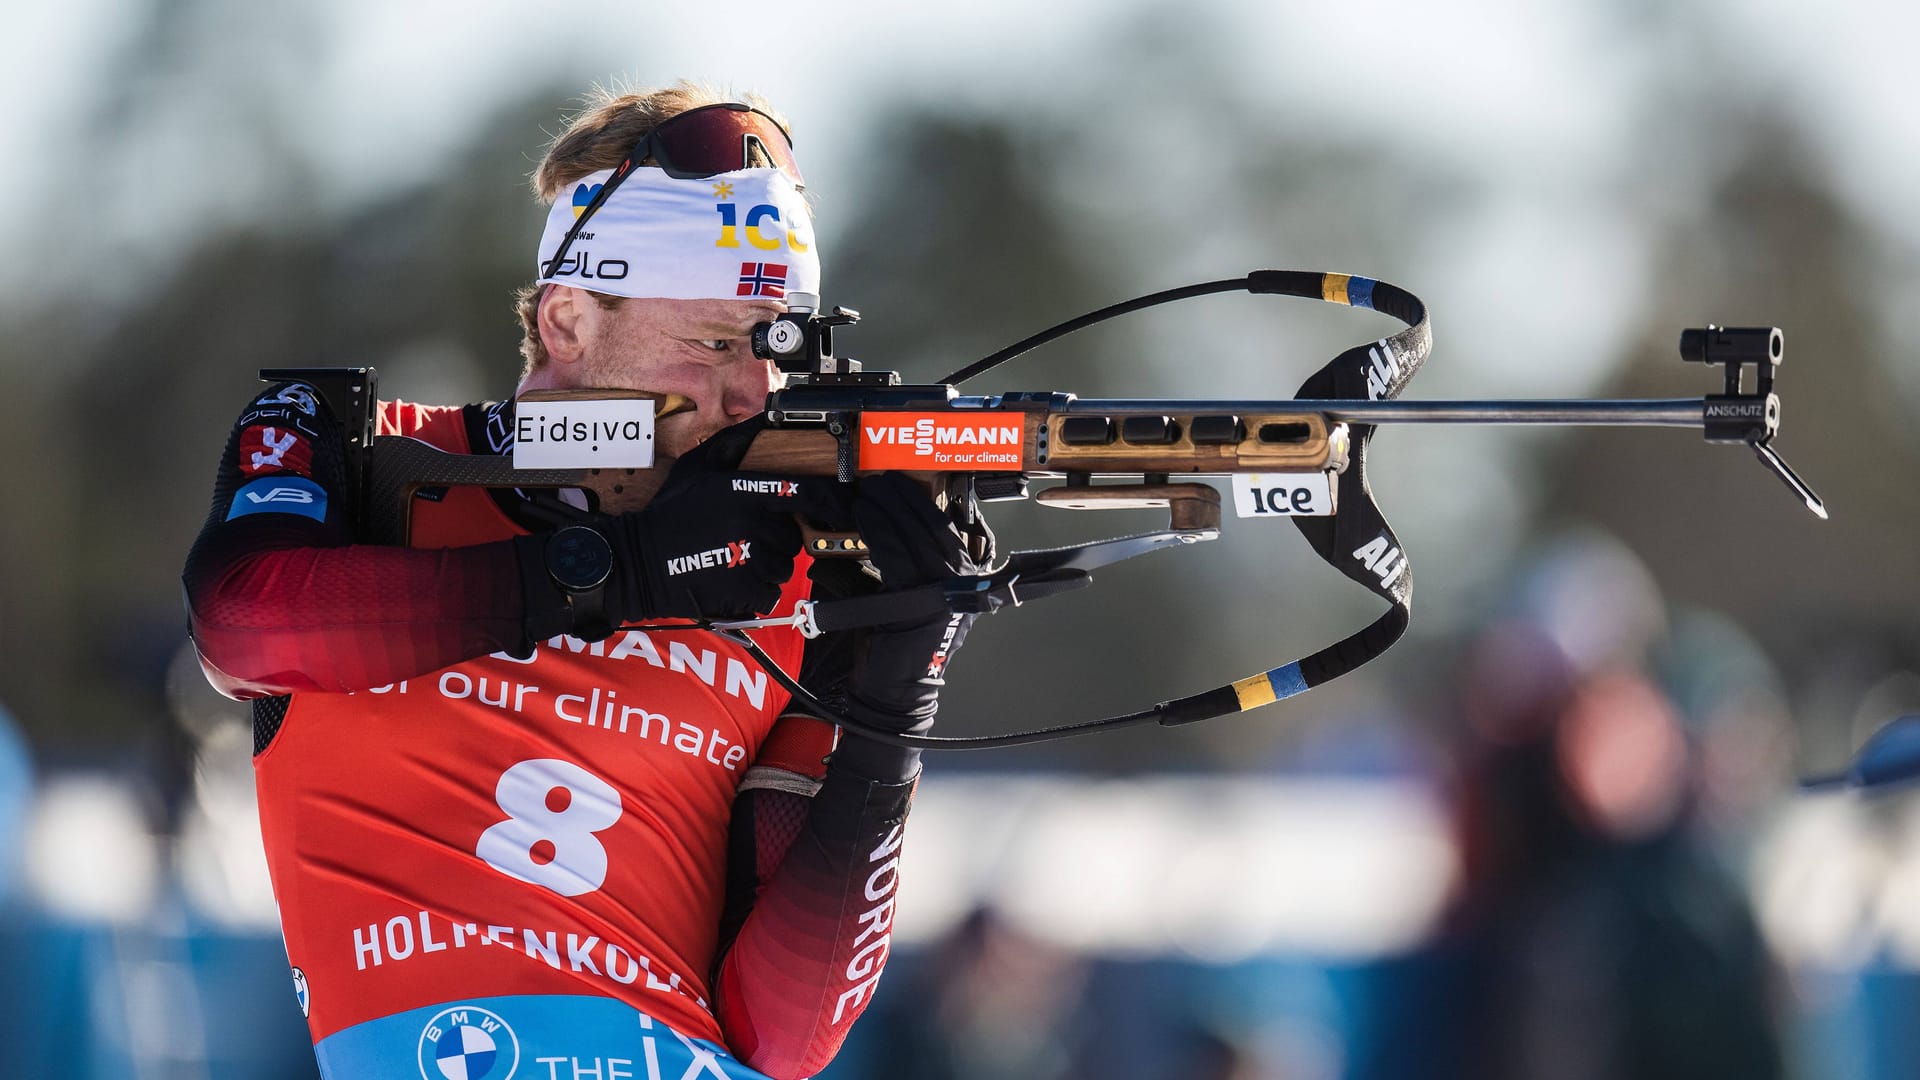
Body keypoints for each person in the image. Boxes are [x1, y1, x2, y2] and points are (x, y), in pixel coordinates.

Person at [181, 82, 984, 1080]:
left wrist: (897, 697)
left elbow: (784, 1034)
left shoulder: (790, 577)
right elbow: (243, 624)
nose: (750, 391)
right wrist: (620, 572)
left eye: (777, 345)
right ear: (567, 321)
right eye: (716, 341)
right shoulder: (363, 451)